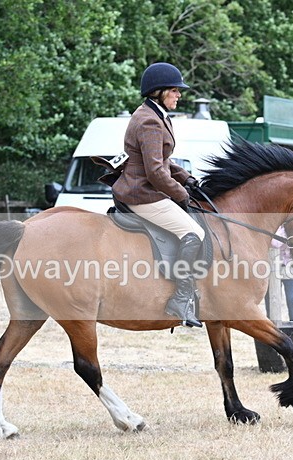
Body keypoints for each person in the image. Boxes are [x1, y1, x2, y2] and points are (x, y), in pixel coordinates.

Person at [111, 62, 204, 327]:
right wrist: (181, 194)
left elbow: (163, 160)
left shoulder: (153, 114)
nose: (179, 95)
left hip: (144, 189)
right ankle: (181, 298)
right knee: (194, 233)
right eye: (175, 90)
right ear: (159, 91)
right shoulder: (150, 121)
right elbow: (154, 172)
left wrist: (187, 179)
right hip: (142, 194)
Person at [266, 225, 293, 363]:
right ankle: (273, 351)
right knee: (271, 306)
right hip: (272, 268)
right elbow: (274, 243)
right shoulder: (275, 220)